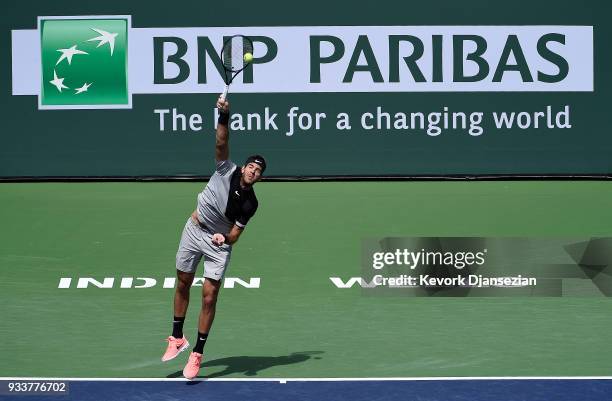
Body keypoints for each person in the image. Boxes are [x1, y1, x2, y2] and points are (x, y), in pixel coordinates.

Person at [161, 95, 266, 380]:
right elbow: (221, 142)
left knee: (209, 298)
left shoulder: (251, 204)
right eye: (251, 167)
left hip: (217, 243)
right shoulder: (225, 169)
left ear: (259, 178)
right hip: (194, 229)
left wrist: (226, 239)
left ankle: (197, 353)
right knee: (182, 281)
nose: (253, 172)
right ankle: (176, 336)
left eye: (258, 171)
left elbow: (236, 234)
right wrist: (223, 115)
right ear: (243, 167)